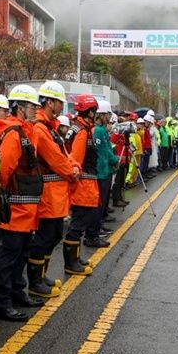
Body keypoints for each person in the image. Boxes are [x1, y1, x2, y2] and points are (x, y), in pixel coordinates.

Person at [0, 85, 44, 322]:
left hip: (26, 208)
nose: (35, 110)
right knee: (9, 256)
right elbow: (4, 170)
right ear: (20, 107)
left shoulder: (23, 131)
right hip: (16, 208)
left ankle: (17, 292)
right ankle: (2, 303)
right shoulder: (14, 133)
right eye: (32, 106)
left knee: (21, 253)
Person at [29, 81, 83, 290]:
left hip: (56, 195)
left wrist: (74, 167)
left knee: (52, 236)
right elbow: (56, 159)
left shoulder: (49, 129)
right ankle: (36, 281)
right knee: (45, 237)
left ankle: (41, 276)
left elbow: (65, 156)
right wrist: (72, 171)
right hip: (48, 195)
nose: (62, 107)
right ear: (49, 103)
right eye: (59, 103)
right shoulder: (41, 129)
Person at [64, 94, 103, 258]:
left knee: (77, 223)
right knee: (78, 224)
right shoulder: (82, 131)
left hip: (81, 184)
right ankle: (72, 260)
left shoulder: (75, 128)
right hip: (83, 185)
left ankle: (75, 258)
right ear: (90, 111)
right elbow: (76, 160)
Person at [93, 100, 118, 241]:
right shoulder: (98, 130)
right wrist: (114, 159)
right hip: (101, 170)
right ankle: (95, 229)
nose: (109, 117)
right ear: (101, 114)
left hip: (106, 169)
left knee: (103, 201)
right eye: (107, 114)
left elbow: (108, 149)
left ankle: (99, 226)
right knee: (99, 202)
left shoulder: (102, 130)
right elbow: (103, 151)